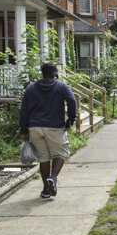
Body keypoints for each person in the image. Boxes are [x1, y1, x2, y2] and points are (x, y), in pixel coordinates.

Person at [19, 63, 77, 199]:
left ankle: (46, 190)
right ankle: (53, 178)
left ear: (42, 73)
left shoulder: (31, 88)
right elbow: (72, 101)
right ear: (54, 73)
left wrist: (23, 129)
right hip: (54, 127)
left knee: (43, 157)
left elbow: (24, 110)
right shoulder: (62, 86)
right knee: (61, 153)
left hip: (34, 127)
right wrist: (71, 120)